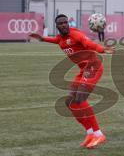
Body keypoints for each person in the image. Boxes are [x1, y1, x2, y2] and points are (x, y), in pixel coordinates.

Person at [29, 14, 114, 149]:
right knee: (69, 101)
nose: (63, 25)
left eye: (65, 22)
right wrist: (42, 38)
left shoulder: (75, 35)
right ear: (57, 26)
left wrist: (102, 49)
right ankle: (90, 133)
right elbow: (54, 40)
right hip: (83, 70)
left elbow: (88, 43)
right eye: (60, 23)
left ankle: (99, 134)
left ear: (68, 23)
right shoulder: (60, 39)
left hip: (93, 66)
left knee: (80, 98)